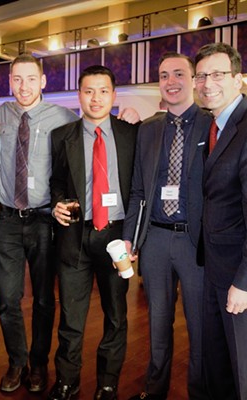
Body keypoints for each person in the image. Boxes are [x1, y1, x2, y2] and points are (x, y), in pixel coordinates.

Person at [123, 53, 211, 400]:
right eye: (163, 75)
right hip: (156, 240)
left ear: (192, 79)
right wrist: (130, 237)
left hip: (195, 242)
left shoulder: (210, 124)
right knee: (157, 324)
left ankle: (200, 391)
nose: (171, 81)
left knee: (200, 326)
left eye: (178, 74)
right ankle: (154, 390)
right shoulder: (149, 129)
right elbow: (138, 191)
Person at [48, 65, 139, 400]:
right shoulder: (63, 136)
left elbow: (139, 188)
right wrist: (58, 202)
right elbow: (56, 182)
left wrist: (135, 236)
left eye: (103, 91)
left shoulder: (132, 133)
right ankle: (67, 381)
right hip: (75, 234)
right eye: (89, 91)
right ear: (79, 96)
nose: (96, 98)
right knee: (71, 317)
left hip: (116, 236)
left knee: (116, 315)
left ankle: (107, 382)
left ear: (114, 95)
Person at [0, 53, 79, 394]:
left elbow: (89, 138)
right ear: (9, 81)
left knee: (44, 298)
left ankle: (39, 362)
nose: (23, 86)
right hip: (8, 221)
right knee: (8, 299)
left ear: (43, 81)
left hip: (45, 221)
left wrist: (130, 118)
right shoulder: (0, 114)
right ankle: (17, 362)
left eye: (30, 79)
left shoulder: (63, 117)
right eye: (17, 79)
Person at [194, 42, 247, 400]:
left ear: (238, 79)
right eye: (201, 75)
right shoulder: (212, 125)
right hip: (213, 268)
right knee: (220, 365)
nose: (207, 82)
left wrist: (244, 281)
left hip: (237, 277)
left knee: (242, 369)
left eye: (217, 74)